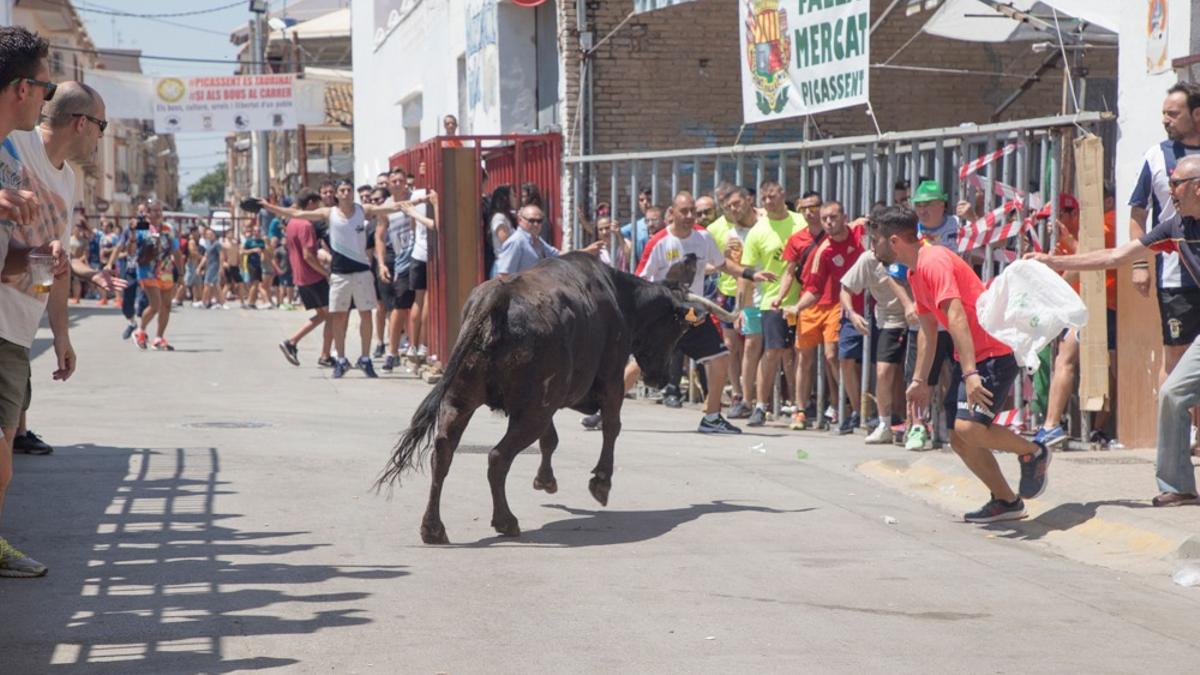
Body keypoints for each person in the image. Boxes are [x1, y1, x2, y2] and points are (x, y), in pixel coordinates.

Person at [1028, 154, 1200, 507]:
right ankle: (1178, 485)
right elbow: (1114, 257)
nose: (1170, 192)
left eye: (1176, 185)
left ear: (1197, 187)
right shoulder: (1176, 227)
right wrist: (1053, 261)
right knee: (1173, 393)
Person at [871, 205, 1048, 523]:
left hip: (991, 354)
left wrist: (970, 373)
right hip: (973, 357)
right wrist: (919, 380)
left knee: (969, 428)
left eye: (876, 240)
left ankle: (1033, 452)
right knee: (958, 437)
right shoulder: (915, 270)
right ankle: (1007, 502)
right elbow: (928, 330)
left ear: (894, 240)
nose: (873, 247)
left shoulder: (933, 261)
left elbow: (955, 317)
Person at [2, 75, 104, 577]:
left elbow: (52, 262)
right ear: (82, 123)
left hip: (22, 325)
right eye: (100, 127)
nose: (100, 139)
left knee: (5, 452)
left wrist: (59, 335)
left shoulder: (67, 180)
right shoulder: (14, 141)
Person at [633, 191, 774, 433]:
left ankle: (711, 417)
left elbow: (721, 263)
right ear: (672, 213)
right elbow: (639, 282)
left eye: (693, 212)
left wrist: (750, 274)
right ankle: (605, 412)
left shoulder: (703, 236)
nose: (690, 216)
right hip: (663, 318)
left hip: (692, 315)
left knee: (720, 359)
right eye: (684, 211)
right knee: (639, 364)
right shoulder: (658, 242)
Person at [262, 180, 406, 378]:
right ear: (337, 195)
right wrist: (269, 207)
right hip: (339, 273)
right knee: (338, 316)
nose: (346, 193)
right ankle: (340, 359)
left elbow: (393, 207)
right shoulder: (328, 214)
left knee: (366, 314)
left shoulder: (363, 210)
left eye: (349, 190)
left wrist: (418, 201)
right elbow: (296, 213)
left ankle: (365, 359)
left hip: (362, 271)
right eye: (342, 191)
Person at [1129, 82, 1200, 448]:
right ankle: (1177, 435)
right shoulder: (1156, 156)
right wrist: (1140, 264)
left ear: (1196, 115)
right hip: (1175, 275)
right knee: (1177, 352)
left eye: (1173, 113)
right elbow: (1138, 211)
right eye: (1164, 113)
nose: (1165, 120)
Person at [786, 202, 865, 435]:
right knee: (807, 357)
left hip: (846, 307)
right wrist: (796, 307)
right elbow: (813, 288)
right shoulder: (823, 251)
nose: (829, 222)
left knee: (835, 356)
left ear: (845, 217)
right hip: (818, 306)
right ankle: (801, 409)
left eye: (833, 217)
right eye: (825, 219)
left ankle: (852, 408)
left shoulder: (860, 230)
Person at [840, 236, 915, 444]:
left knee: (919, 374)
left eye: (876, 240)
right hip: (889, 319)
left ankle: (918, 423)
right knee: (883, 371)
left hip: (920, 317)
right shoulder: (868, 259)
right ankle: (885, 423)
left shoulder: (908, 252)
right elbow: (845, 288)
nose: (872, 245)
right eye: (870, 239)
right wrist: (853, 315)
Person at [742, 182, 805, 427]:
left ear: (783, 195)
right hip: (773, 301)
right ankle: (760, 405)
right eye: (764, 198)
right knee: (772, 352)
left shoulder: (801, 222)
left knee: (801, 354)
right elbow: (745, 272)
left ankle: (799, 405)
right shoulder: (758, 231)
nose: (769, 201)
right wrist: (743, 309)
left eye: (773, 196)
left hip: (805, 298)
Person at [707, 183, 758, 418]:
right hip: (728, 292)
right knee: (731, 346)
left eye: (734, 203)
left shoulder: (761, 221)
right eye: (725, 205)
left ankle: (755, 396)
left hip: (759, 293)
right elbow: (718, 263)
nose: (731, 208)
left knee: (755, 346)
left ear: (748, 199)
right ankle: (739, 393)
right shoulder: (719, 229)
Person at [376, 173, 433, 371]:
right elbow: (380, 236)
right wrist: (382, 263)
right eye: (395, 181)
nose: (399, 184)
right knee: (399, 307)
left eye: (401, 181)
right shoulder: (387, 207)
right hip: (401, 262)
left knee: (422, 300)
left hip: (417, 255)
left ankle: (418, 346)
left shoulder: (415, 201)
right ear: (389, 185)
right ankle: (392, 352)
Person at [279, 189, 333, 367]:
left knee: (323, 314)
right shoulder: (306, 225)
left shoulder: (292, 223)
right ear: (310, 204)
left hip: (300, 276)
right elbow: (308, 255)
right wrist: (325, 272)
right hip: (312, 276)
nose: (318, 210)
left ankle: (293, 342)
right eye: (317, 205)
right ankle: (324, 355)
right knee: (330, 315)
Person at [132, 200, 182, 351]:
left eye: (160, 211)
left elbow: (176, 251)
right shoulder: (142, 226)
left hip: (166, 270)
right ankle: (140, 330)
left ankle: (159, 338)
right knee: (156, 304)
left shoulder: (168, 228)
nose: (158, 213)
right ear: (147, 213)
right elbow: (138, 243)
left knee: (166, 305)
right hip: (148, 270)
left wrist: (180, 273)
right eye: (154, 210)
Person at [487, 186, 515, 277]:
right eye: (512, 195)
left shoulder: (507, 217)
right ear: (505, 199)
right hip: (501, 267)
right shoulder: (499, 218)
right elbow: (506, 241)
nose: (515, 198)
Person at [620, 187, 654, 265]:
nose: (645, 203)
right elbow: (613, 234)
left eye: (649, 199)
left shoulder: (664, 223)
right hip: (641, 270)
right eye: (641, 200)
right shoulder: (636, 225)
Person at [242, 223, 267, 308]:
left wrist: (263, 257)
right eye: (255, 231)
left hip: (258, 264)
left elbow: (263, 251)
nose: (257, 232)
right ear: (253, 232)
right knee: (254, 283)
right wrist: (253, 250)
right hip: (251, 263)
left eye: (258, 231)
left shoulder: (261, 241)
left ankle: (252, 302)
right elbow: (243, 251)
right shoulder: (249, 241)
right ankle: (249, 302)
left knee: (256, 284)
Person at [221, 227, 245, 309]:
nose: (231, 234)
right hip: (228, 266)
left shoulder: (235, 244)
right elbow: (222, 257)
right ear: (226, 234)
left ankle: (242, 302)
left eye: (232, 233)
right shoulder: (224, 245)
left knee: (241, 283)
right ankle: (222, 302)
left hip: (235, 266)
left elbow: (238, 255)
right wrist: (224, 264)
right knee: (228, 284)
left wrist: (240, 263)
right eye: (229, 233)